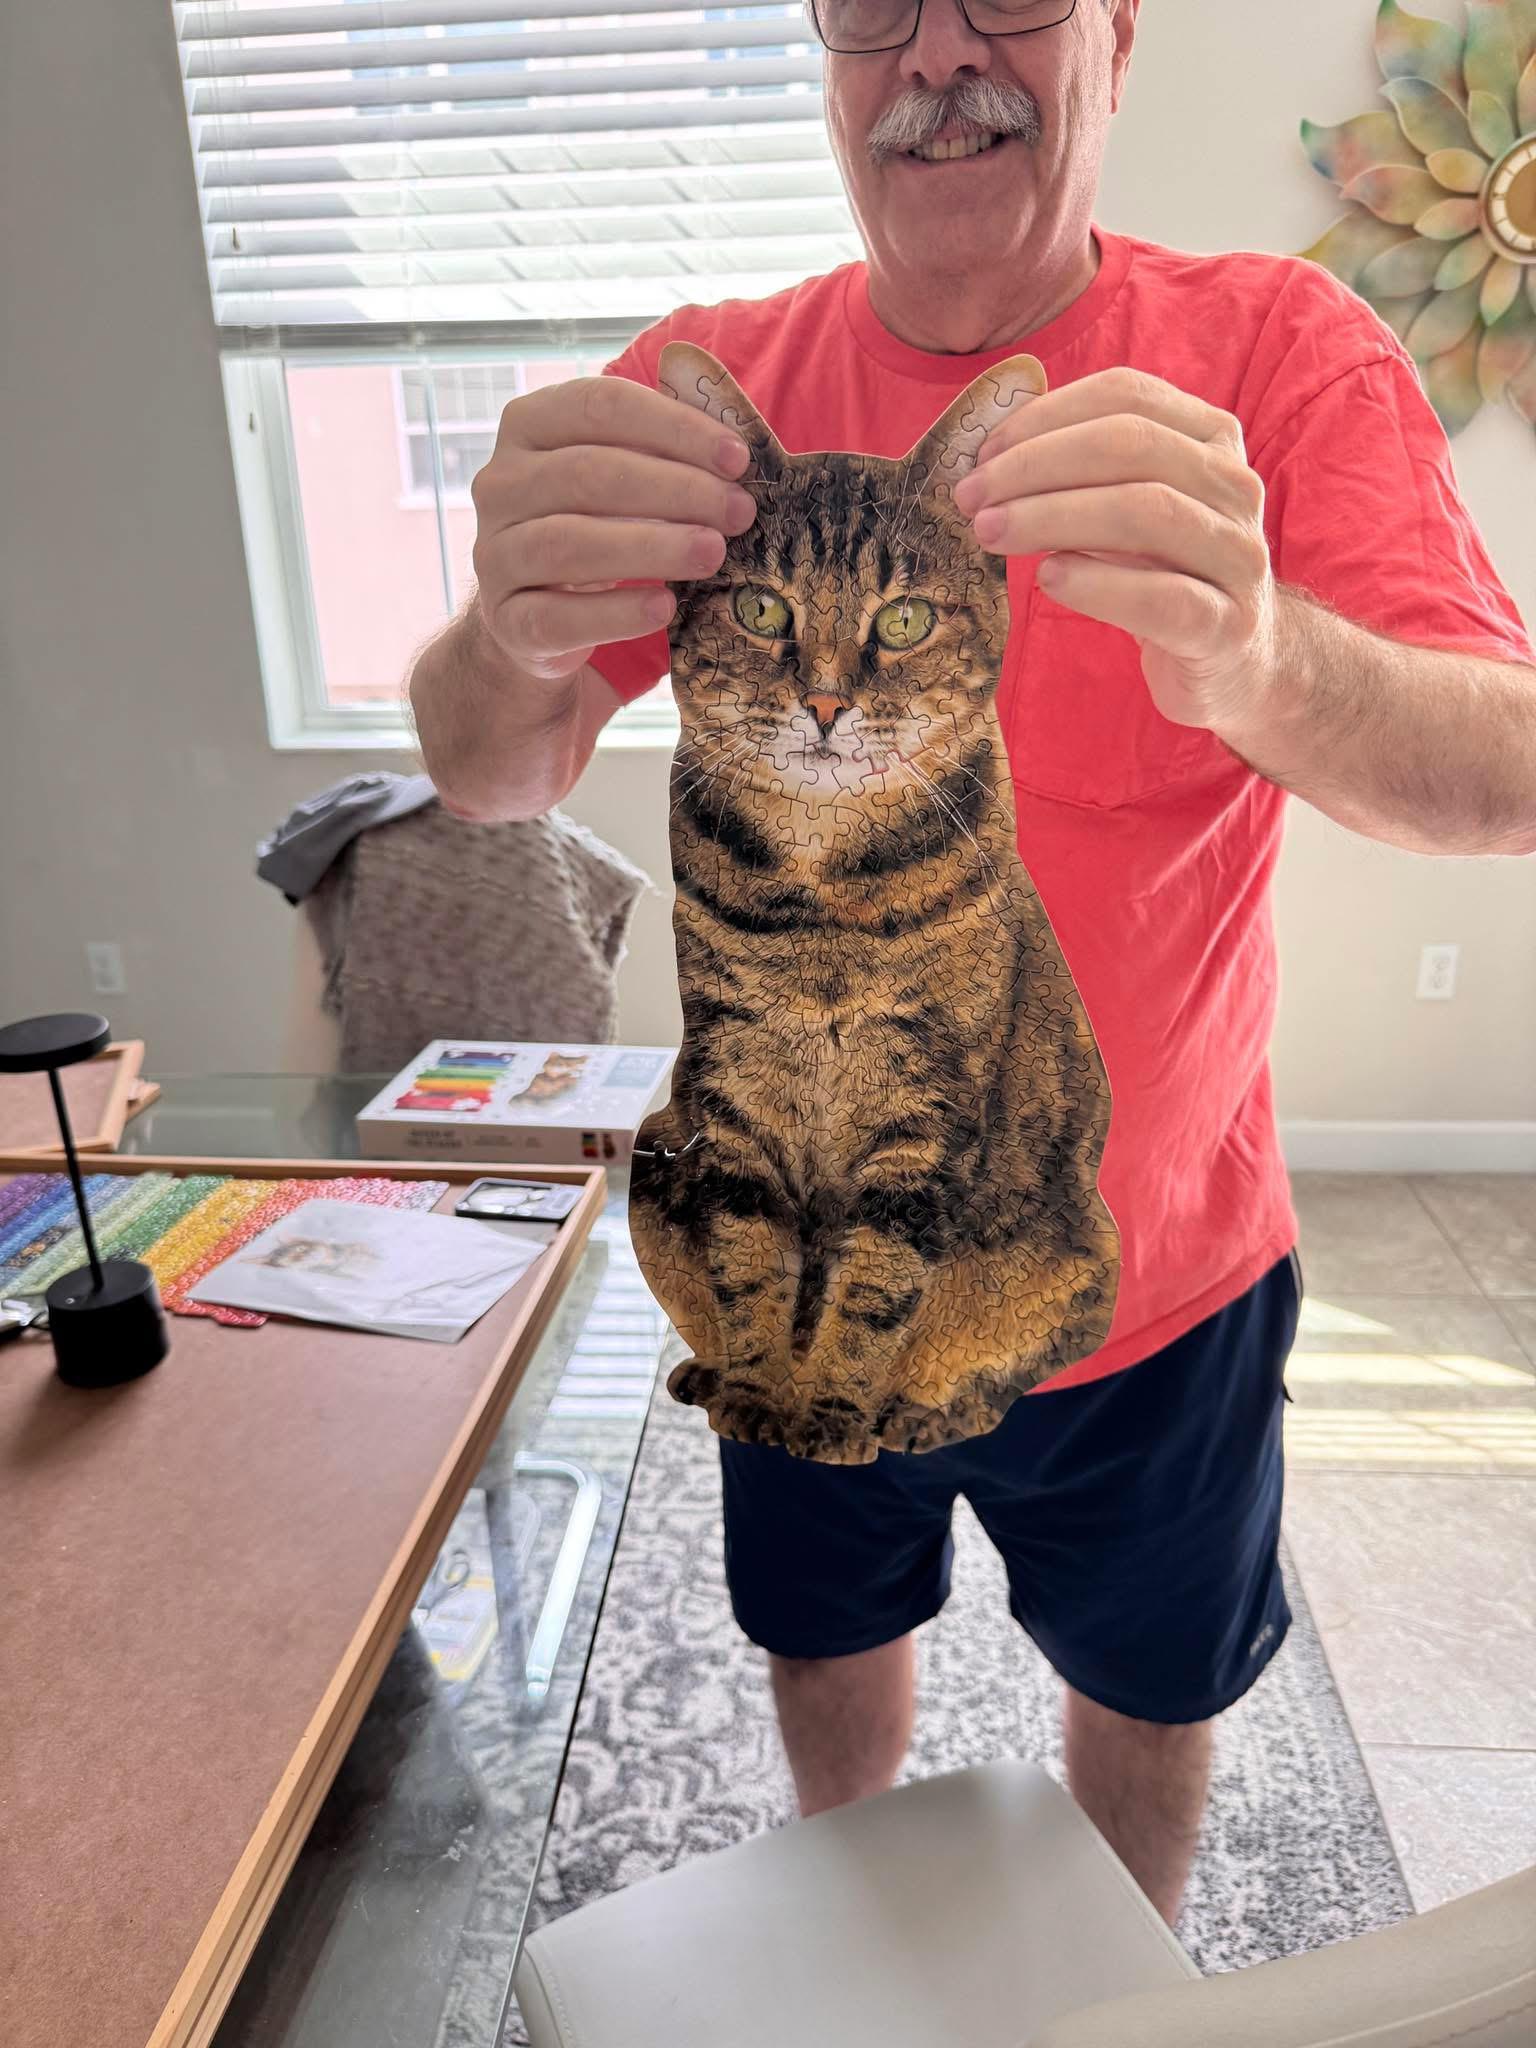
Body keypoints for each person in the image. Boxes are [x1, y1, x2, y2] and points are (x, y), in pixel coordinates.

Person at [410, 0, 1536, 1926]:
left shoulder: (1275, 349)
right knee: (826, 1637)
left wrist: (1262, 652)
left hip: (1149, 1279)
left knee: (1149, 1690)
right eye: (875, 8)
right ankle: (860, 1931)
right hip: (794, 1250)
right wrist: (501, 635)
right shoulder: (707, 400)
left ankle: (1121, 1987)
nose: (939, 54)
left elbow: (1505, 773)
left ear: (1117, 35)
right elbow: (484, 771)